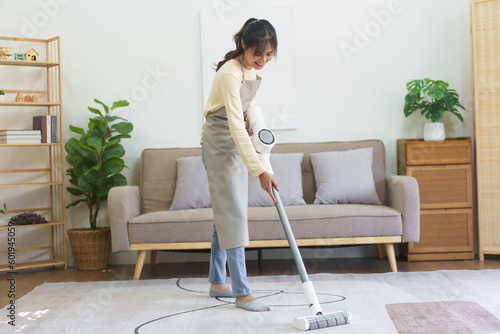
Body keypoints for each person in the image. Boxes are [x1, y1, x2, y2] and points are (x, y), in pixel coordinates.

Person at [201, 18, 279, 312]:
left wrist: (253, 122)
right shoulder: (229, 73)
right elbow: (233, 124)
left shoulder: (251, 71)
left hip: (234, 143)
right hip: (219, 145)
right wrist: (258, 170)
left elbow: (246, 110)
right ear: (244, 44)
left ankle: (217, 281)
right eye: (258, 53)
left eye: (269, 54)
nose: (263, 60)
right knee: (232, 213)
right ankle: (242, 292)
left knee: (226, 211)